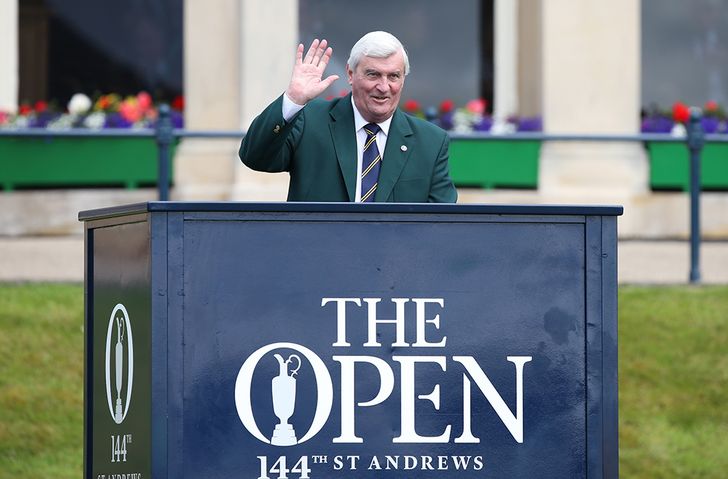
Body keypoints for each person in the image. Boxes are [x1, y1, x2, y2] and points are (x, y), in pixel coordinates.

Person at [239, 31, 457, 203]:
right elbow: (255, 157)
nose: (384, 87)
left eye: (393, 76)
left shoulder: (431, 142)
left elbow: (442, 223)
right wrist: (293, 100)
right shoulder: (310, 120)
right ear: (351, 74)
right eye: (373, 74)